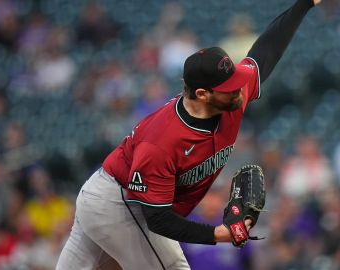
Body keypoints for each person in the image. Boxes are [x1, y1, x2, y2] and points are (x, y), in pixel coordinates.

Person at [56, 0, 323, 269]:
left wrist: (302, 5)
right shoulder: (162, 141)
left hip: (116, 201)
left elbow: (266, 50)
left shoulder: (229, 97)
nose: (238, 89)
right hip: (119, 203)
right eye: (228, 87)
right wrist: (219, 233)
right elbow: (157, 220)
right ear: (202, 94)